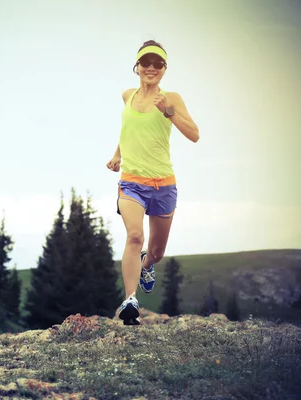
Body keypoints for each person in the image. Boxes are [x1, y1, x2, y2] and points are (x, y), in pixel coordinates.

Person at [106, 40, 199, 325]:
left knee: (156, 253)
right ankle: (130, 300)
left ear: (164, 69)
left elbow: (194, 134)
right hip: (131, 183)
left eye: (157, 64)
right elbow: (128, 130)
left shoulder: (171, 98)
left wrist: (168, 111)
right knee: (134, 236)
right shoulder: (127, 96)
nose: (151, 68)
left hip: (163, 185)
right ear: (137, 67)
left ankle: (147, 265)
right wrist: (117, 155)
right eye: (146, 63)